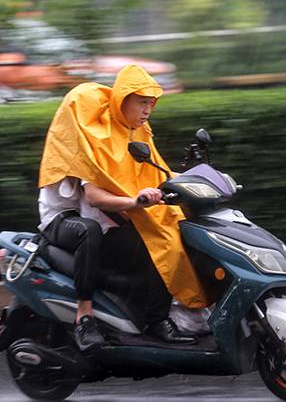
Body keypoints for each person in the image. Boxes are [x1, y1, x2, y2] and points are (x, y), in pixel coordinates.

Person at [38, 64, 210, 350]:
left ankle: (155, 321)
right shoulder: (94, 136)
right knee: (88, 231)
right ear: (123, 99)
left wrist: (205, 179)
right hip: (65, 219)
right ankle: (85, 318)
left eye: (151, 105)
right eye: (142, 102)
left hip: (110, 219)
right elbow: (93, 198)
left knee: (159, 241)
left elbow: (158, 174)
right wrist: (135, 201)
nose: (147, 111)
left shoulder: (135, 132)